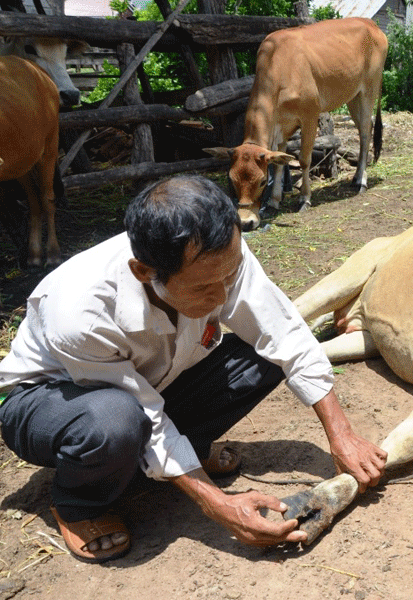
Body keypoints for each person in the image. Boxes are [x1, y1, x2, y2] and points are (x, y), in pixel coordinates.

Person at [0, 175, 387, 563]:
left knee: (264, 355)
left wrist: (342, 434)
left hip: (147, 388)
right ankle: (79, 504)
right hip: (49, 403)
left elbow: (283, 330)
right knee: (115, 420)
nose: (221, 296)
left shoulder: (219, 250)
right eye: (203, 288)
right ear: (142, 271)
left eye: (229, 277)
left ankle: (185, 451)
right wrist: (218, 504)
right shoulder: (80, 312)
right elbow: (145, 412)